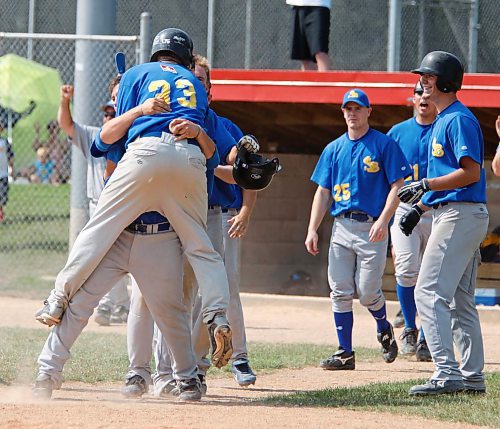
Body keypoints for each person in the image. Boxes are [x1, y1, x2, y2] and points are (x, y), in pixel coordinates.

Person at [34, 27, 233, 374]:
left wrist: (140, 110)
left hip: (142, 168)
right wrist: (192, 132)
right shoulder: (193, 84)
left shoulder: (136, 75)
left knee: (94, 241)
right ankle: (216, 316)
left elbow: (110, 141)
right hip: (186, 166)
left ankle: (57, 299)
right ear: (187, 59)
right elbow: (212, 156)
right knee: (202, 252)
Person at [398, 51, 489, 396]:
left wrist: (425, 186)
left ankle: (446, 373)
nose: (422, 81)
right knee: (460, 301)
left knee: (428, 291)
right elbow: (448, 179)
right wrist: (421, 207)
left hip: (461, 215)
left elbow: (470, 173)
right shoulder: (443, 119)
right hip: (457, 214)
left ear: (442, 81)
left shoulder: (457, 119)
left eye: (428, 76)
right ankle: (471, 377)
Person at [305, 88, 409, 370]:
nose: (352, 113)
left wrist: (384, 219)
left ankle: (383, 326)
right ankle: (345, 352)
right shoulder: (333, 148)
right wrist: (313, 228)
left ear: (368, 112)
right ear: (343, 113)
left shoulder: (383, 145)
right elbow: (323, 191)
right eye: (348, 109)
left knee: (367, 292)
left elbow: (398, 185)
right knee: (339, 290)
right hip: (341, 226)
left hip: (371, 226)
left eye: (358, 108)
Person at [57, 82, 130, 326]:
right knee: (98, 256)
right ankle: (115, 304)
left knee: (112, 256)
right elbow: (66, 125)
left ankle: (116, 305)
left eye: (112, 113)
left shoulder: (131, 137)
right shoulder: (93, 135)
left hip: (120, 206)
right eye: (106, 113)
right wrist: (65, 101)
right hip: (95, 205)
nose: (107, 116)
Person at [387, 81, 436, 361]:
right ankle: (409, 327)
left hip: (437, 210)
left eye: (427, 92)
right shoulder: (397, 133)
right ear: (412, 99)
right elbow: (388, 181)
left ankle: (428, 338)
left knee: (431, 278)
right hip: (405, 210)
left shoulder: (444, 127)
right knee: (406, 271)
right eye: (419, 92)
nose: (423, 97)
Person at [286, 0, 331, 71]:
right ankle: (310, 81)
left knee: (320, 53)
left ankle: (324, 81)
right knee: (305, 57)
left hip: (318, 5)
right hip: (297, 5)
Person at [32, 120, 70, 185]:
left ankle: (54, 181)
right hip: (44, 167)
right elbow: (35, 147)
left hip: (56, 168)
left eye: (54, 127)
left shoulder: (61, 143)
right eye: (50, 128)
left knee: (58, 174)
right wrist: (37, 133)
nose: (52, 130)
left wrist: (56, 135)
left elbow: (64, 148)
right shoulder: (47, 143)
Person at [0, 119, 14, 222]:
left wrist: (12, 168)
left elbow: (10, 156)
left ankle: (1, 212)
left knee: (2, 196)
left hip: (3, 174)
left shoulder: (4, 142)